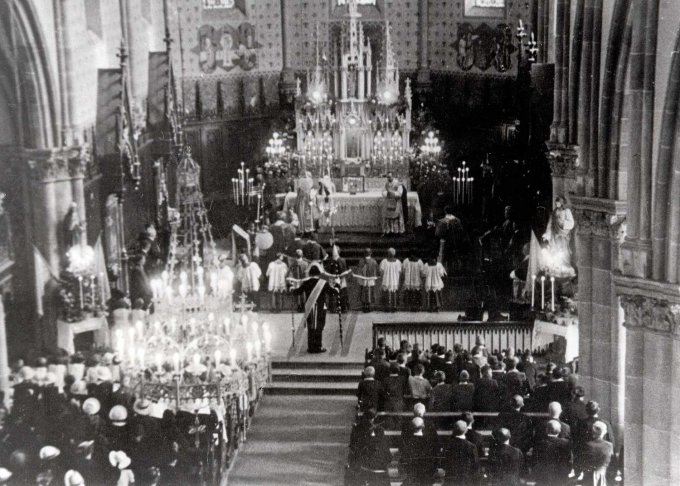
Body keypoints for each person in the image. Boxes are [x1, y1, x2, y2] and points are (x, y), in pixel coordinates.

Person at [292, 265, 339, 353]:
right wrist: (337, 287)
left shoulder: (306, 282)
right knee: (319, 327)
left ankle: (310, 347)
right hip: (320, 308)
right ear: (318, 273)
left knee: (311, 327)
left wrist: (292, 289)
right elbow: (332, 293)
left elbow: (297, 291)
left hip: (309, 307)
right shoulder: (323, 283)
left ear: (310, 273)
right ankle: (318, 346)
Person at [530, 420, 572, 485]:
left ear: (546, 430)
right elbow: (569, 460)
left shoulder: (539, 443)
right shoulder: (566, 444)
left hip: (543, 477)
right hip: (559, 476)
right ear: (560, 430)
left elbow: (534, 461)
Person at [542, 195, 575, 276]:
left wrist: (563, 224)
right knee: (555, 250)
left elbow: (571, 223)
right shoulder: (554, 213)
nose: (557, 204)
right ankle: (556, 267)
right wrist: (547, 234)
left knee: (564, 251)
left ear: (562, 203)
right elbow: (550, 224)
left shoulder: (567, 211)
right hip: (555, 236)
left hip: (563, 235)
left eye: (558, 203)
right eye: (556, 203)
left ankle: (565, 266)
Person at [399, 417, 439, 486]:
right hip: (425, 477)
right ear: (423, 426)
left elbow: (403, 459)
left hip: (411, 476)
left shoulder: (406, 442)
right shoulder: (429, 442)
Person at [577, 421, 615, 486]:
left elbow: (581, 462)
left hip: (589, 476)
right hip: (604, 475)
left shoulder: (587, 445)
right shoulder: (609, 445)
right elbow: (612, 462)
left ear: (593, 432)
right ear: (604, 432)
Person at [442, 420, 479, 486]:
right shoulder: (472, 446)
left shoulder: (447, 444)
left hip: (451, 479)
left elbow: (444, 462)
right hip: (466, 480)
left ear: (453, 430)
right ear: (466, 431)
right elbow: (475, 465)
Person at [435, 206, 467, 274]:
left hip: (445, 243)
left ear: (445, 211)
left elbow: (438, 234)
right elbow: (461, 232)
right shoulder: (458, 221)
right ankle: (455, 272)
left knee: (444, 257)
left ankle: (445, 273)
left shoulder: (442, 221)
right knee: (454, 257)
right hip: (456, 243)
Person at [325, 245, 350, 313]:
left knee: (340, 294)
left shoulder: (340, 260)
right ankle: (337, 308)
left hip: (338, 279)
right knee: (336, 294)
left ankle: (340, 309)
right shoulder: (332, 260)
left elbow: (347, 270)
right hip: (335, 279)